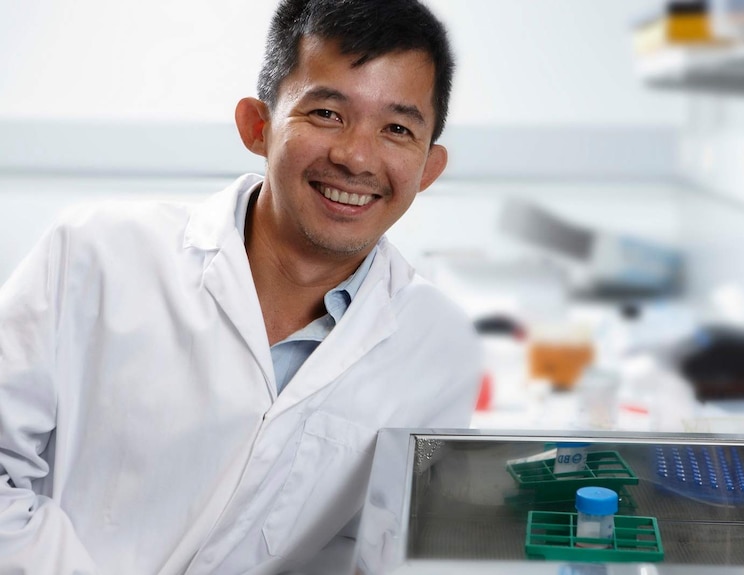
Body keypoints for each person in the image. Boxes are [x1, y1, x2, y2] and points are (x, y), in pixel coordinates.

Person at [0, 0, 482, 573]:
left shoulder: (440, 346)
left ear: (428, 167)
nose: (356, 156)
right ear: (259, 126)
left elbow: (375, 552)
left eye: (398, 129)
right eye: (327, 113)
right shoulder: (94, 252)